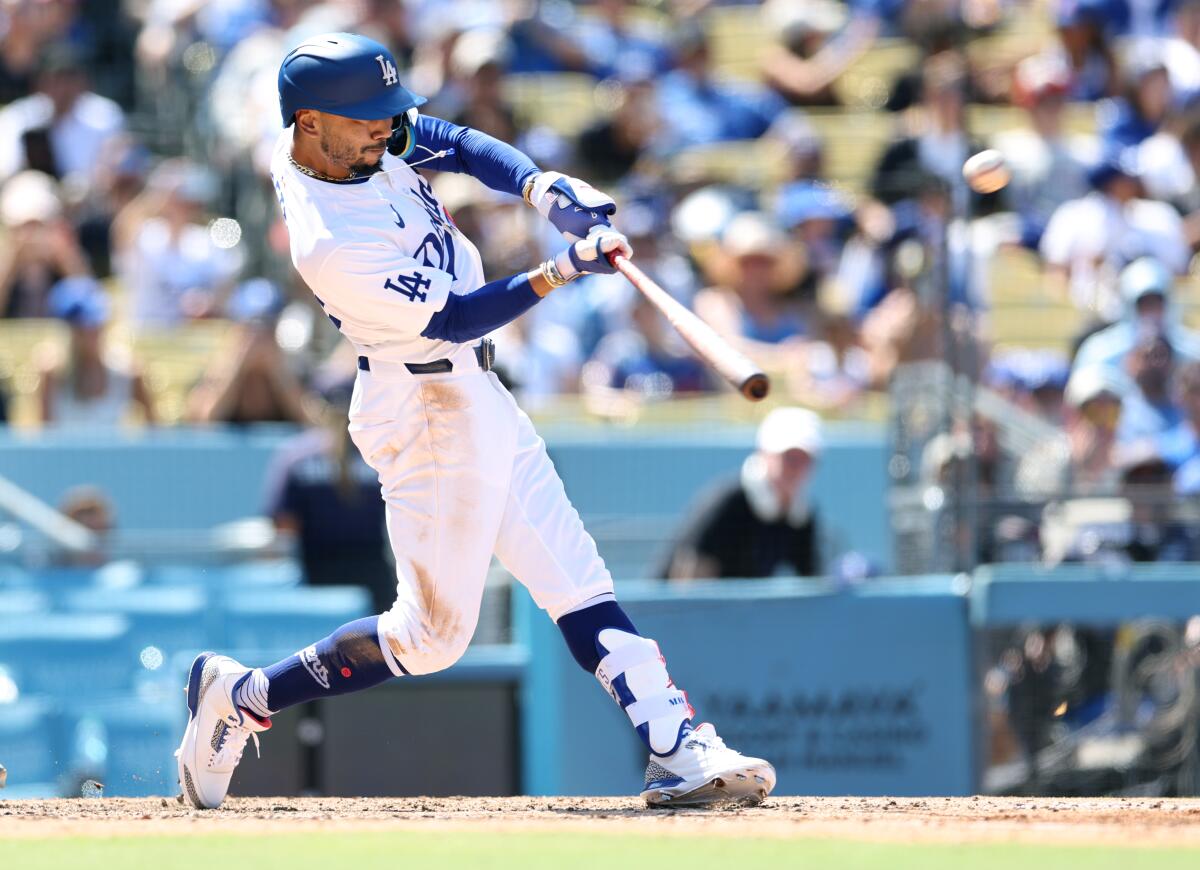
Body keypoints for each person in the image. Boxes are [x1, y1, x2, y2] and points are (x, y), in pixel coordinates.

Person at [175, 33, 774, 811]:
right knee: (430, 639)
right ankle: (241, 695)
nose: (385, 132)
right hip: (423, 405)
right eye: (365, 120)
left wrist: (540, 187)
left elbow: (450, 141)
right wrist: (561, 269)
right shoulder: (329, 240)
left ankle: (676, 744)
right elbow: (452, 319)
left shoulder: (351, 144)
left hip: (476, 394)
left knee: (575, 576)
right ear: (310, 124)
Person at [663, 407, 822, 580]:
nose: (796, 468)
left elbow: (810, 576)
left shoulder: (802, 515)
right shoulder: (727, 500)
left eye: (804, 460)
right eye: (788, 457)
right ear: (764, 454)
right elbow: (686, 573)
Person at [37, 277, 155, 427]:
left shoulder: (129, 372)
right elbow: (46, 437)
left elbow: (155, 434)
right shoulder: (51, 374)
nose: (90, 333)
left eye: (95, 325)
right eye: (81, 328)